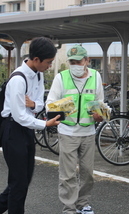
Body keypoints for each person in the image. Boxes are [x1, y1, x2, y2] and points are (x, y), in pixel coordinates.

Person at [0, 37, 61, 214]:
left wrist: (33, 105)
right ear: (36, 60)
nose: (49, 66)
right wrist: (44, 123)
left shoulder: (38, 75)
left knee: (24, 178)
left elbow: (40, 103)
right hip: (13, 130)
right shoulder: (18, 79)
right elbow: (19, 116)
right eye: (48, 62)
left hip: (27, 129)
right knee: (18, 182)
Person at [46, 45, 104, 214]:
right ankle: (69, 208)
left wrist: (99, 114)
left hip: (88, 132)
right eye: (72, 61)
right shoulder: (61, 77)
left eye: (78, 61)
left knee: (88, 173)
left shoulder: (95, 76)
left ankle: (83, 204)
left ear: (87, 61)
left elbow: (100, 101)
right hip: (67, 132)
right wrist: (66, 105)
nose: (75, 65)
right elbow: (49, 104)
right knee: (68, 174)